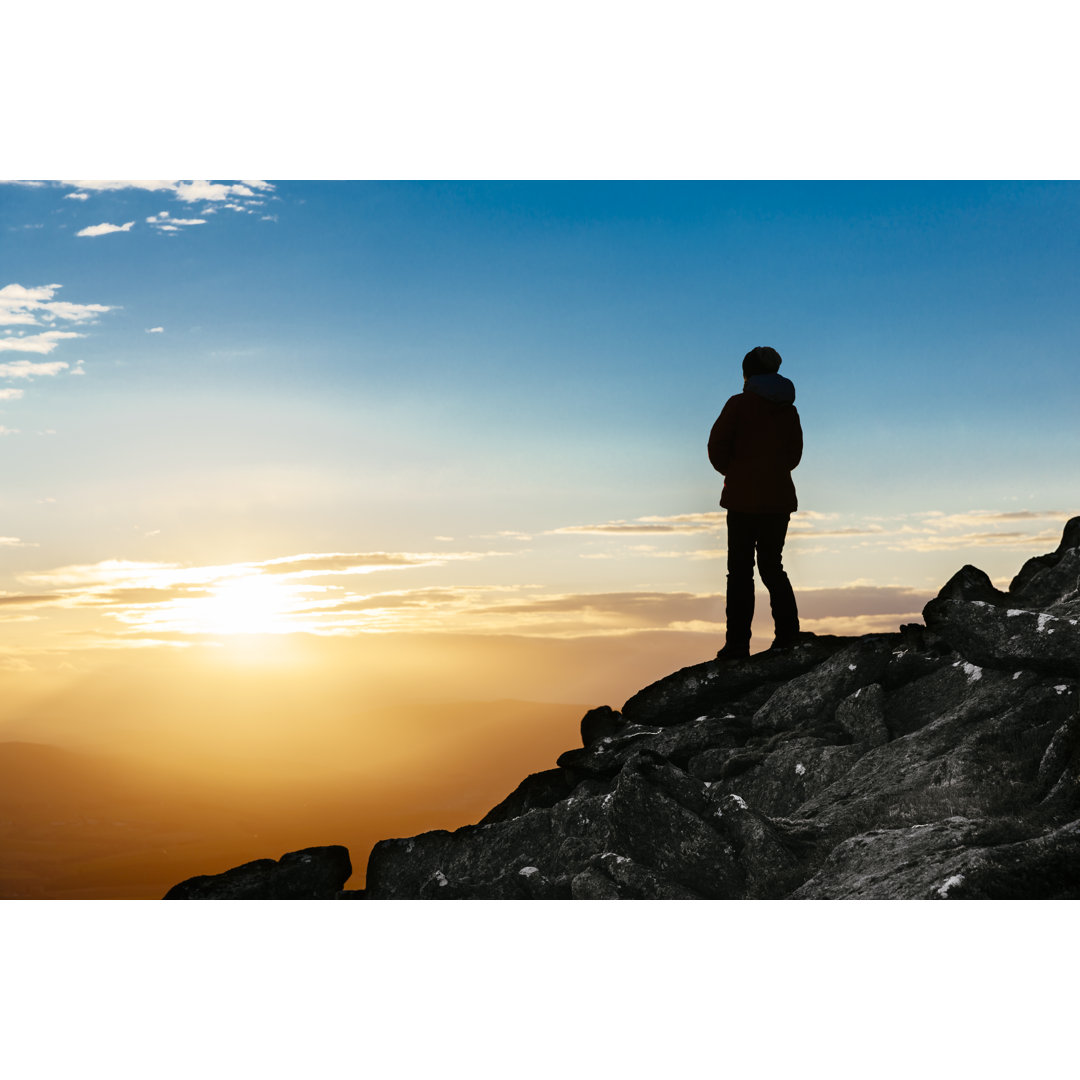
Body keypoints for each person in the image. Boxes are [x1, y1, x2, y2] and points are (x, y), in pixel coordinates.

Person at [707, 346, 803, 660]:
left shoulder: (738, 404)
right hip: (778, 500)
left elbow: (716, 445)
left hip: (742, 501)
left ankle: (737, 646)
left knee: (739, 573)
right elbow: (794, 456)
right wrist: (771, 472)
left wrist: (736, 472)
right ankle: (788, 637)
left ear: (747, 373)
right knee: (772, 568)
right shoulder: (788, 409)